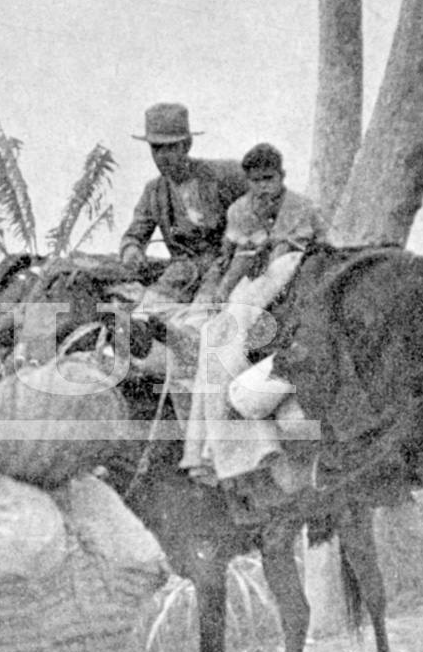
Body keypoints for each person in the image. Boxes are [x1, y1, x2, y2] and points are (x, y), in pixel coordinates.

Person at [179, 142, 326, 486]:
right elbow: (234, 258)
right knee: (218, 339)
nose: (264, 187)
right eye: (256, 180)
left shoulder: (302, 208)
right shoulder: (240, 211)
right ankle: (215, 448)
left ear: (282, 177)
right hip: (255, 281)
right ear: (247, 181)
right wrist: (222, 290)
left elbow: (320, 252)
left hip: (295, 274)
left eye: (269, 179)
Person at [119, 103, 248, 305]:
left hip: (228, 270)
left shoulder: (225, 175)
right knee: (146, 312)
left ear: (186, 145)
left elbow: (263, 203)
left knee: (203, 318)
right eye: (156, 148)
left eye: (170, 147)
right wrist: (131, 249)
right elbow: (135, 234)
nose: (162, 156)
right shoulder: (154, 192)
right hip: (182, 275)